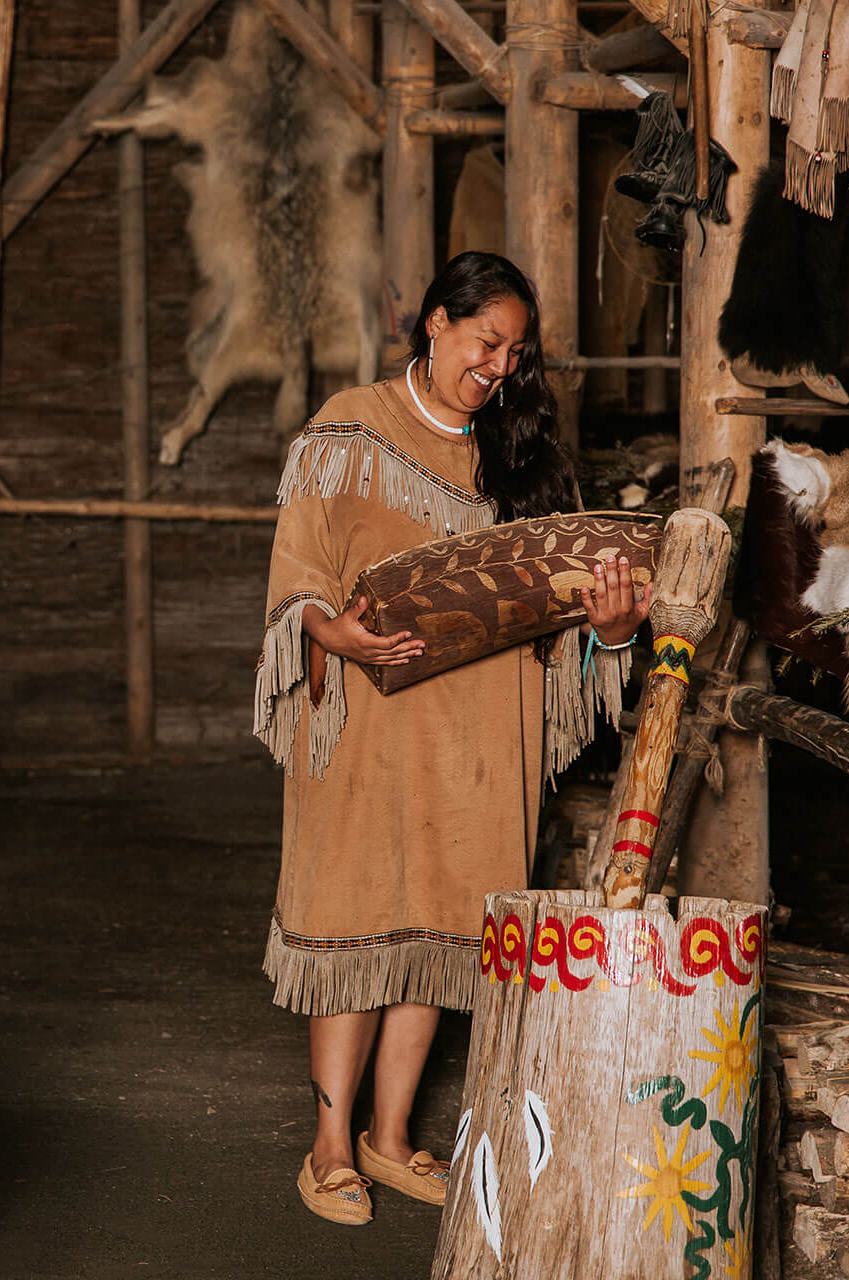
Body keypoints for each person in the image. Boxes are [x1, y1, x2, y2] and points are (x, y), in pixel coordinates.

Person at [251, 252, 650, 1225]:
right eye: (486, 339)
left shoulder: (517, 462)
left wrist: (610, 628)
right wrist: (327, 627)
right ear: (433, 322)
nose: (498, 364)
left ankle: (390, 1139)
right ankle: (329, 1146)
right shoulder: (346, 431)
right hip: (364, 723)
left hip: (480, 736)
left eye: (514, 352)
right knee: (351, 922)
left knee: (435, 929)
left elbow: (562, 621)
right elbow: (297, 565)